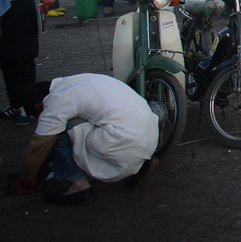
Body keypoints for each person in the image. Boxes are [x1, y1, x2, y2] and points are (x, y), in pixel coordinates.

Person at [15, 74, 159, 204]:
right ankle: (141, 162)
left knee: (57, 129)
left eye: (37, 117)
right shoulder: (75, 82)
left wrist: (28, 175)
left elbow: (39, 145)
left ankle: (79, 187)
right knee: (70, 121)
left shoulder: (57, 101)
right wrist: (46, 160)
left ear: (39, 106)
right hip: (149, 138)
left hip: (125, 141)